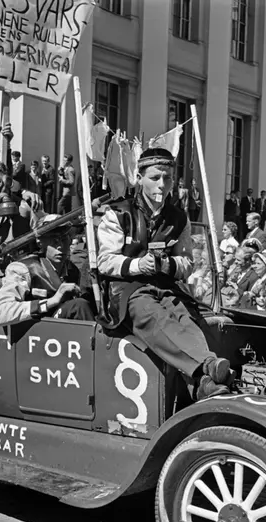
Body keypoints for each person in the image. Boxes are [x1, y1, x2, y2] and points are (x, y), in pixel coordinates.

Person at [97, 147, 232, 401]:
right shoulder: (118, 214)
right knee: (153, 314)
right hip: (127, 291)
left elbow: (187, 263)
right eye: (155, 177)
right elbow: (104, 261)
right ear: (139, 179)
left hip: (167, 285)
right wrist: (139, 265)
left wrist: (168, 264)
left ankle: (204, 383)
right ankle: (208, 365)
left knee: (185, 316)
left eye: (167, 178)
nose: (162, 184)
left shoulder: (179, 218)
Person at [0, 215, 94, 326]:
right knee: (78, 306)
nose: (60, 246)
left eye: (64, 239)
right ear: (40, 243)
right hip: (35, 329)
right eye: (54, 241)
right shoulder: (24, 268)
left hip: (60, 330)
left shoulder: (72, 270)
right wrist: (51, 301)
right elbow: (0, 313)